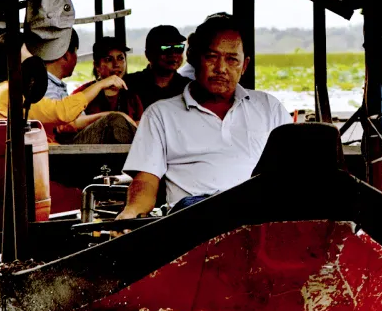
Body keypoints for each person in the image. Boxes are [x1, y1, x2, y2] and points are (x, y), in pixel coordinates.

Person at [116, 13, 288, 218]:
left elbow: (294, 172)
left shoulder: (269, 108)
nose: (221, 69)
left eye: (232, 60)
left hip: (258, 218)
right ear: (194, 59)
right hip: (195, 221)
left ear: (244, 66)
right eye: (211, 57)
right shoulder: (160, 115)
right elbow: (146, 181)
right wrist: (131, 211)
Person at [0, 30, 137, 144]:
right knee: (114, 122)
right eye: (30, 54)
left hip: (50, 149)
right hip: (51, 155)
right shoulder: (11, 92)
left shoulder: (12, 90)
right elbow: (62, 113)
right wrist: (101, 86)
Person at [77, 35, 144, 122]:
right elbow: (70, 123)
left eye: (120, 58)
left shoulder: (132, 97)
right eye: (109, 59)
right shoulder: (84, 93)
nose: (116, 64)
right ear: (97, 65)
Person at [124, 24, 189, 106]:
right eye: (166, 49)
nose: (173, 54)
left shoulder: (188, 88)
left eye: (178, 48)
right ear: (148, 54)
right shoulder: (129, 85)